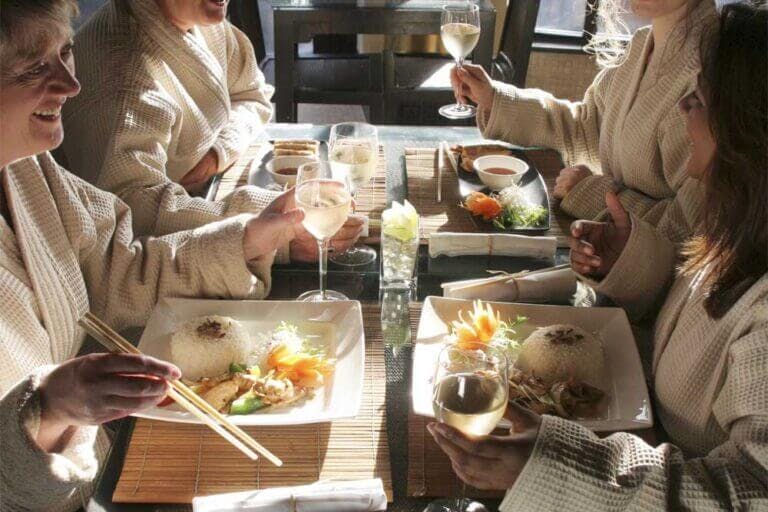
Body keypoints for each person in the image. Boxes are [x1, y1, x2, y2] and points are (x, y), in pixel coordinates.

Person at [431, 3, 767, 509]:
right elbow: (682, 302)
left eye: (696, 99)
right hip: (629, 425)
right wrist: (628, 260)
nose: (684, 109)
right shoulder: (738, 238)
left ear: (746, 128)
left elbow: (751, 493)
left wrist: (563, 466)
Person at [0, 1, 307, 509]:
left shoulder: (28, 171)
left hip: (106, 453)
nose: (71, 86)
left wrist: (251, 238)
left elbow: (121, 270)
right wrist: (44, 409)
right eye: (34, 68)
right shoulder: (122, 71)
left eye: (65, 54)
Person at [57, 0, 361, 262]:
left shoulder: (196, 18)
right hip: (122, 257)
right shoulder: (126, 79)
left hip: (197, 194)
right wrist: (271, 230)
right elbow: (134, 213)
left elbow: (252, 96)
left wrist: (215, 154)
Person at [452, 0, 717, 244]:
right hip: (608, 258)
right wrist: (494, 98)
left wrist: (593, 194)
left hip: (653, 286)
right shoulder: (642, 44)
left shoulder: (710, 75)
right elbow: (589, 129)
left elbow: (694, 230)